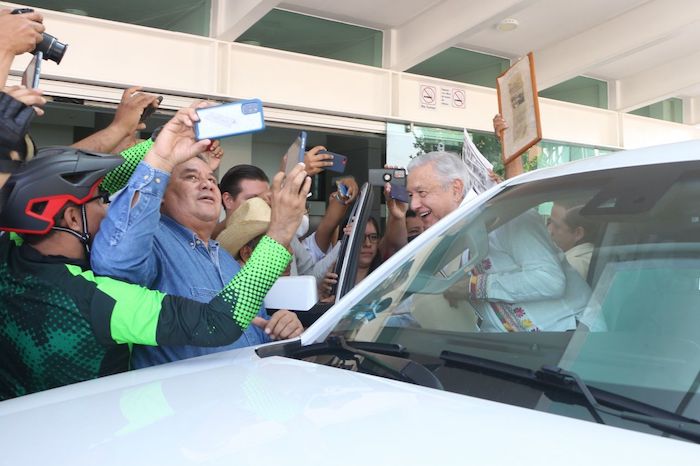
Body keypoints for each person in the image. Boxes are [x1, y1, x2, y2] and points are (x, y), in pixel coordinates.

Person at [0, 107, 307, 399]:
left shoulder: (9, 255)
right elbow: (217, 324)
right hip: (130, 435)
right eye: (103, 201)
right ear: (69, 219)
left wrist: (160, 147)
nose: (111, 211)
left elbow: (76, 186)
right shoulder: (99, 298)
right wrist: (279, 234)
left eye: (211, 179)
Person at [91, 115, 308, 368]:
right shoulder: (153, 242)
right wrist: (160, 157)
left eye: (211, 179)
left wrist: (280, 327)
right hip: (187, 403)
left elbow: (250, 329)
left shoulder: (227, 260)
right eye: (191, 177)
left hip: (245, 396)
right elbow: (117, 263)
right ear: (161, 196)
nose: (206, 184)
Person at [407, 151, 590, 332]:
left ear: (456, 189)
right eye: (410, 195)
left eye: (421, 193)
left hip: (575, 342)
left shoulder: (509, 217)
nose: (413, 205)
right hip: (518, 349)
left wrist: (472, 287)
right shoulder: (454, 236)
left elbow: (550, 281)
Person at [548, 200, 597, 280]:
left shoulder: (571, 265)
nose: (550, 230)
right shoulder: (595, 257)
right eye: (549, 222)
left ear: (578, 233)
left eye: (556, 226)